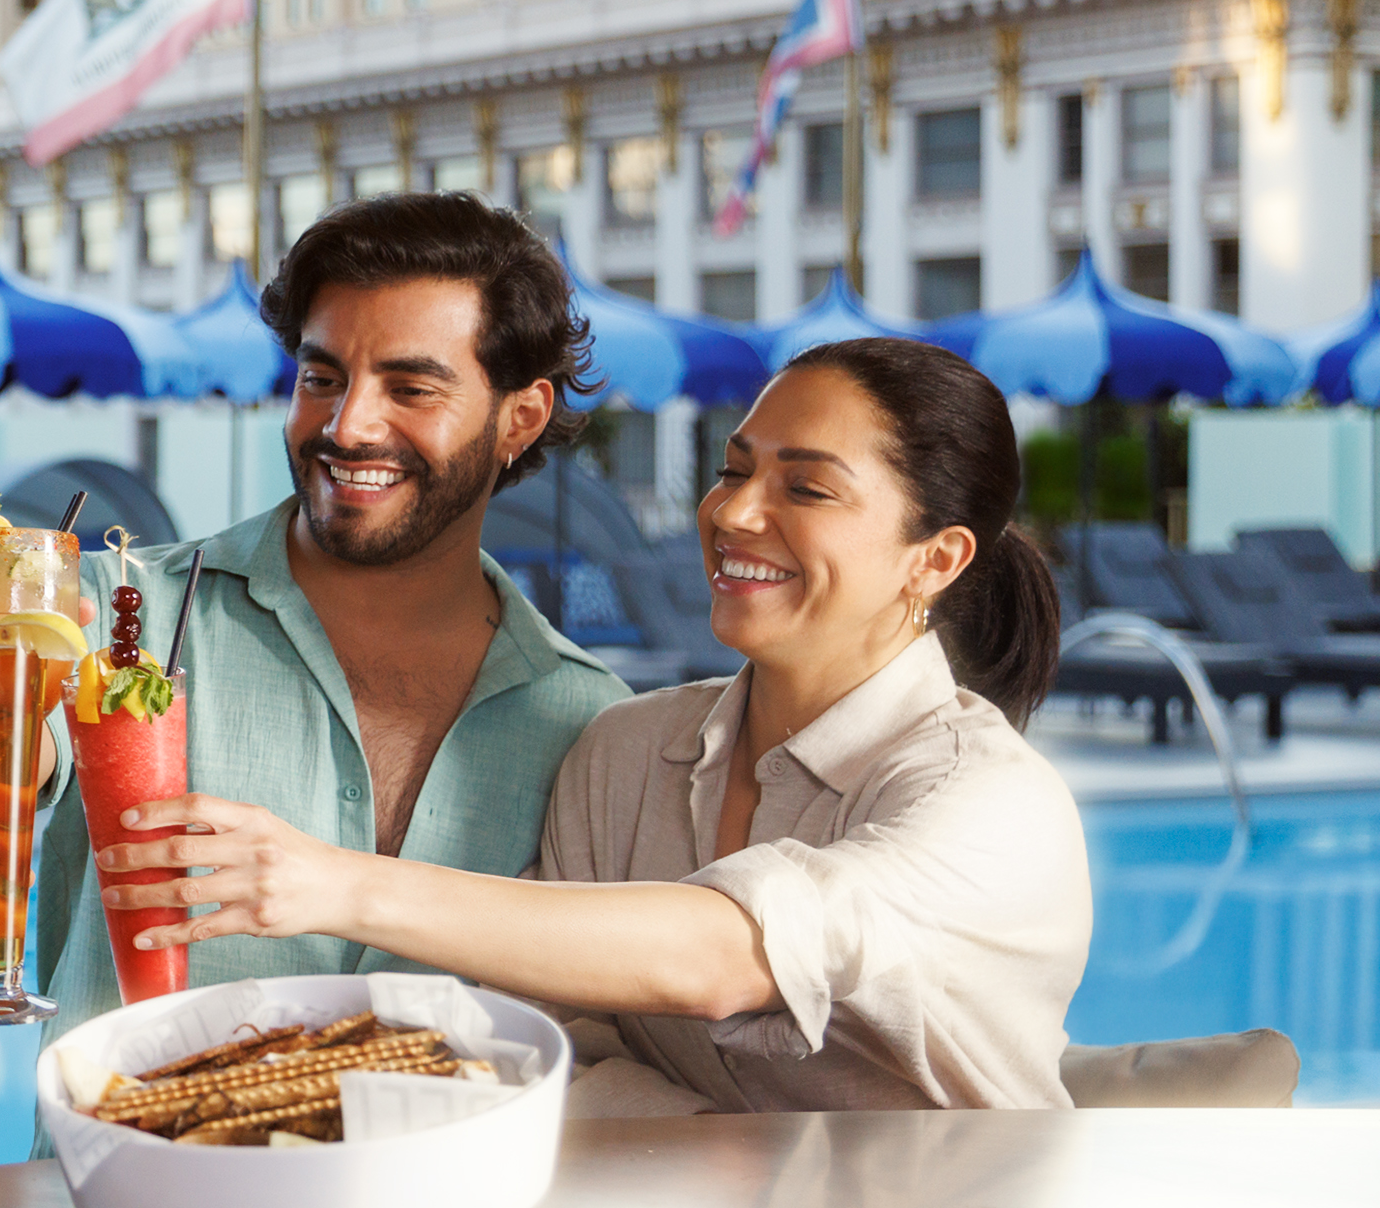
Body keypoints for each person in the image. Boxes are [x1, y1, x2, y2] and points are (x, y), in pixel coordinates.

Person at [98, 337, 1086, 1112]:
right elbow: (550, 1048)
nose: (734, 512)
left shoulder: (992, 803)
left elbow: (717, 957)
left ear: (936, 559)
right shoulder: (623, 752)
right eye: (733, 467)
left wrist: (329, 881)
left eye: (807, 488)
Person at [0, 193, 627, 1051]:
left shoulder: (589, 725)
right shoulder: (104, 619)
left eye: (409, 387)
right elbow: (5, 775)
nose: (346, 424)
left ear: (522, 415)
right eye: (321, 378)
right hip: (134, 1179)